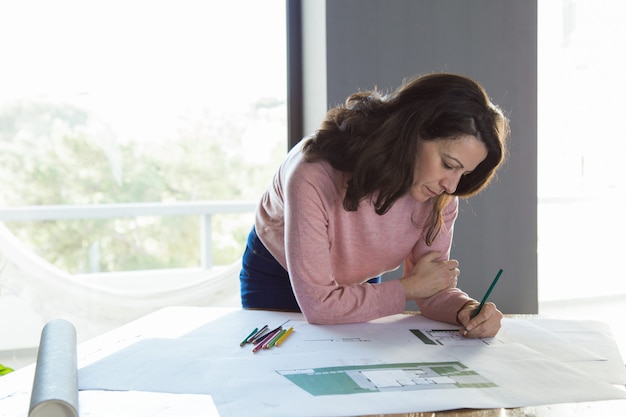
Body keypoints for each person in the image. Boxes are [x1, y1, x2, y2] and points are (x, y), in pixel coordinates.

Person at [240, 73, 509, 338]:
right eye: (449, 165)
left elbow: (429, 285)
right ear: (412, 132)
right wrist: (407, 289)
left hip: (357, 283)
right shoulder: (312, 174)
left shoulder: (440, 193)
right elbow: (319, 305)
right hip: (278, 275)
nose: (451, 186)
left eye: (463, 173)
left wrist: (466, 309)